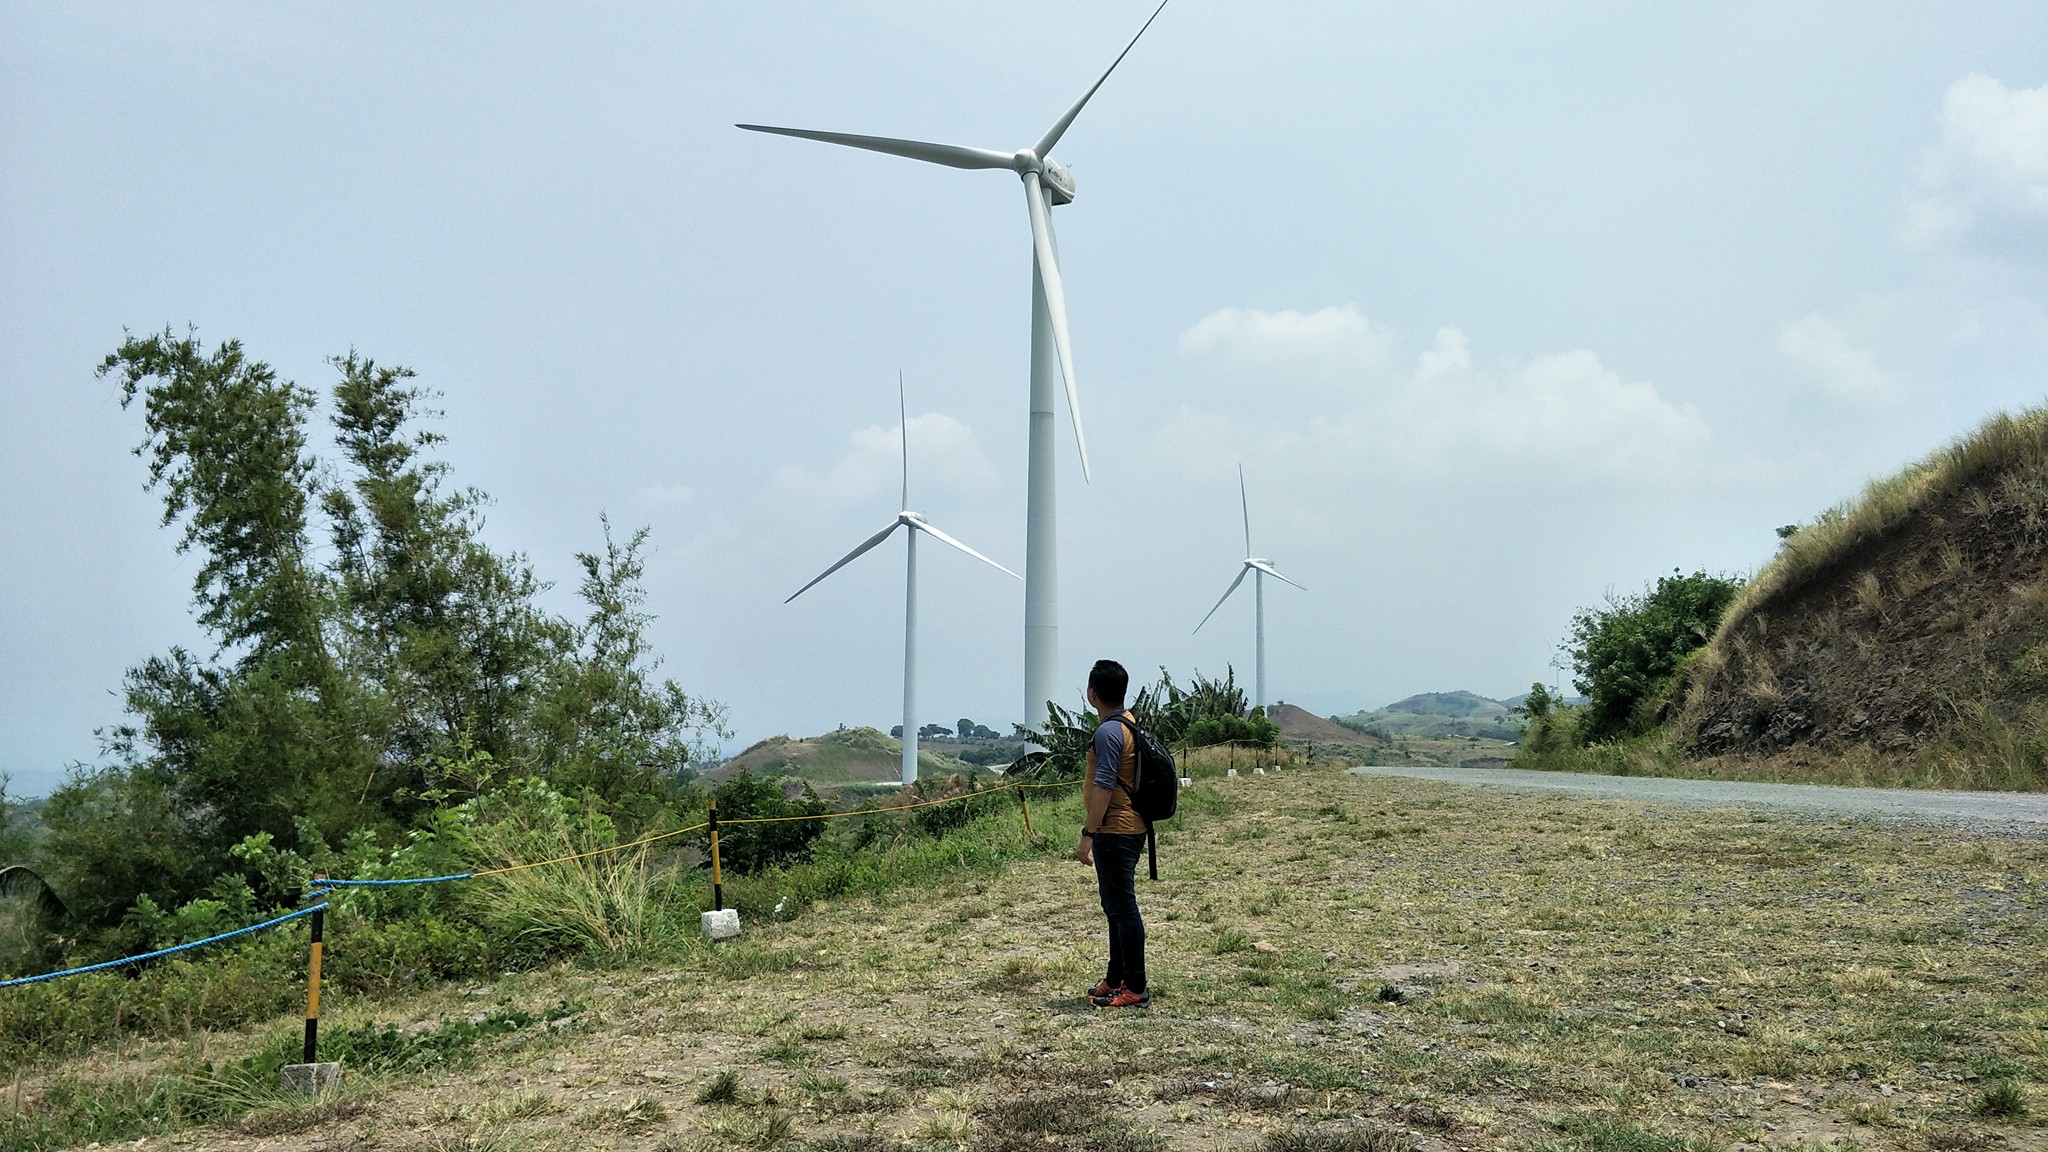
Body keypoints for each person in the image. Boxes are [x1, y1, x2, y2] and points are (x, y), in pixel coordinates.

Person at [1073, 659, 1150, 1008]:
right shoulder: (1128, 723)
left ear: (1092, 694)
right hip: (1129, 826)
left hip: (1115, 829)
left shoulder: (1107, 732)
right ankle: (1117, 976)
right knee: (1115, 907)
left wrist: (1088, 833)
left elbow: (1104, 783)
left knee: (1122, 907)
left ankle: (1134, 986)